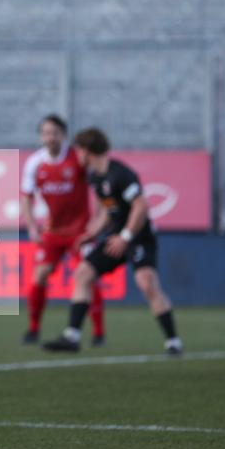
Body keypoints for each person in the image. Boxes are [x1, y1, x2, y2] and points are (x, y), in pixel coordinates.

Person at [43, 127, 183, 355]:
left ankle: (173, 341)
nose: (77, 156)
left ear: (87, 151)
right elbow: (108, 212)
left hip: (138, 237)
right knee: (83, 274)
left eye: (79, 151)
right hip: (115, 238)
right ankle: (72, 336)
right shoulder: (95, 177)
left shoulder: (121, 174)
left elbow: (141, 207)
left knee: (146, 283)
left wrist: (126, 237)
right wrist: (91, 234)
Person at [21, 114, 105, 345]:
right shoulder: (35, 163)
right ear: (41, 136)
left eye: (55, 133)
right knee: (40, 274)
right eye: (46, 133)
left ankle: (99, 332)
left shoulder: (77, 158)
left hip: (80, 232)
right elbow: (26, 198)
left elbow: (97, 187)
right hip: (53, 231)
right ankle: (33, 328)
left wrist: (96, 220)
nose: (50, 137)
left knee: (86, 276)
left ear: (63, 135)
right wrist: (32, 227)